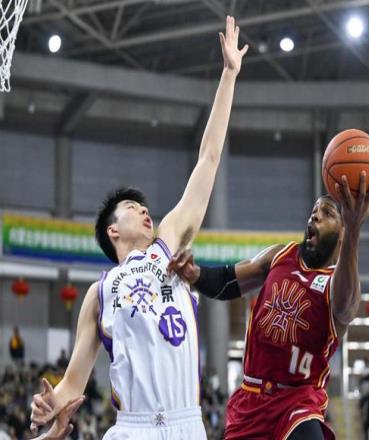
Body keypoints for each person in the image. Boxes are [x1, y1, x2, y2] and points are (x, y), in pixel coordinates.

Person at [29, 15, 248, 440]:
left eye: (145, 207)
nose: (145, 211)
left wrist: (228, 76)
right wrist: (50, 404)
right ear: (112, 230)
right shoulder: (100, 292)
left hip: (188, 424)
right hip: (134, 428)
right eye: (132, 208)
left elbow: (208, 160)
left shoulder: (168, 244)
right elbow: (72, 384)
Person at [169, 172, 369, 439]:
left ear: (342, 234)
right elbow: (228, 281)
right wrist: (195, 274)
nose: (314, 217)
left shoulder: (338, 284)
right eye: (313, 211)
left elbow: (346, 305)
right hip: (251, 399)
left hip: (297, 402)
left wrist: (353, 228)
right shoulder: (281, 255)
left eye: (326, 213)